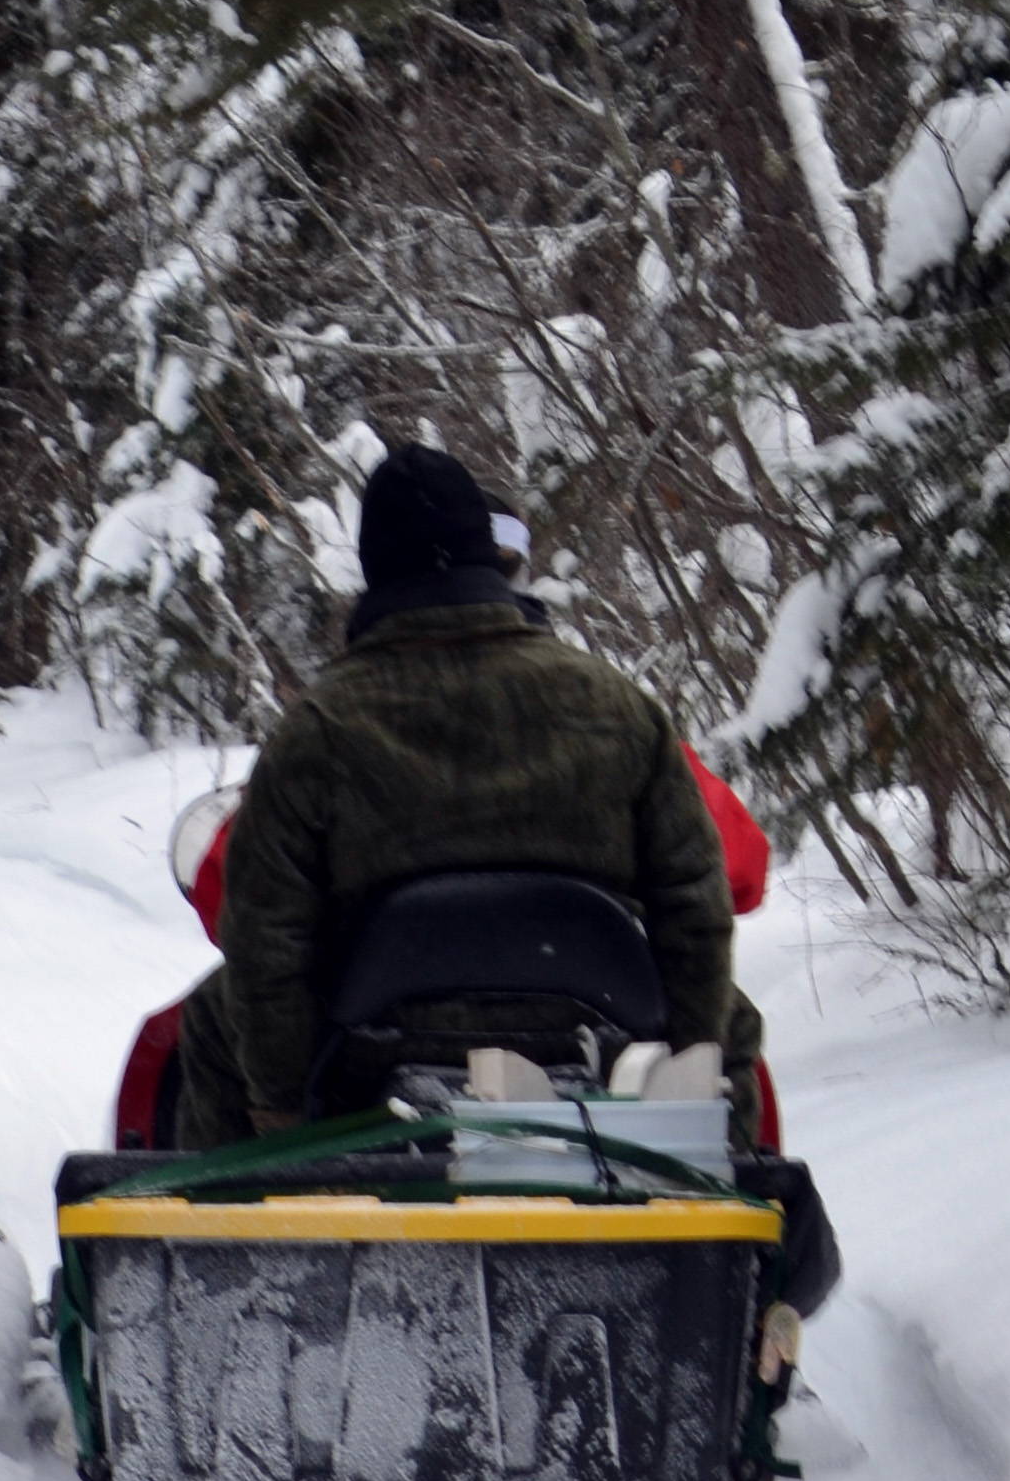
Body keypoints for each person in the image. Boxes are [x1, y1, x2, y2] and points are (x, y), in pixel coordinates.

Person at [156, 443, 768, 1153]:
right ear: (487, 554)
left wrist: (285, 1114)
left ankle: (245, 1224)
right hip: (599, 1037)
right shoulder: (619, 708)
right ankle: (729, 1225)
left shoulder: (316, 731)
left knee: (211, 1016)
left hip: (371, 1057)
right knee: (733, 1022)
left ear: (375, 568)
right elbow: (694, 906)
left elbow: (267, 944)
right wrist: (687, 1062)